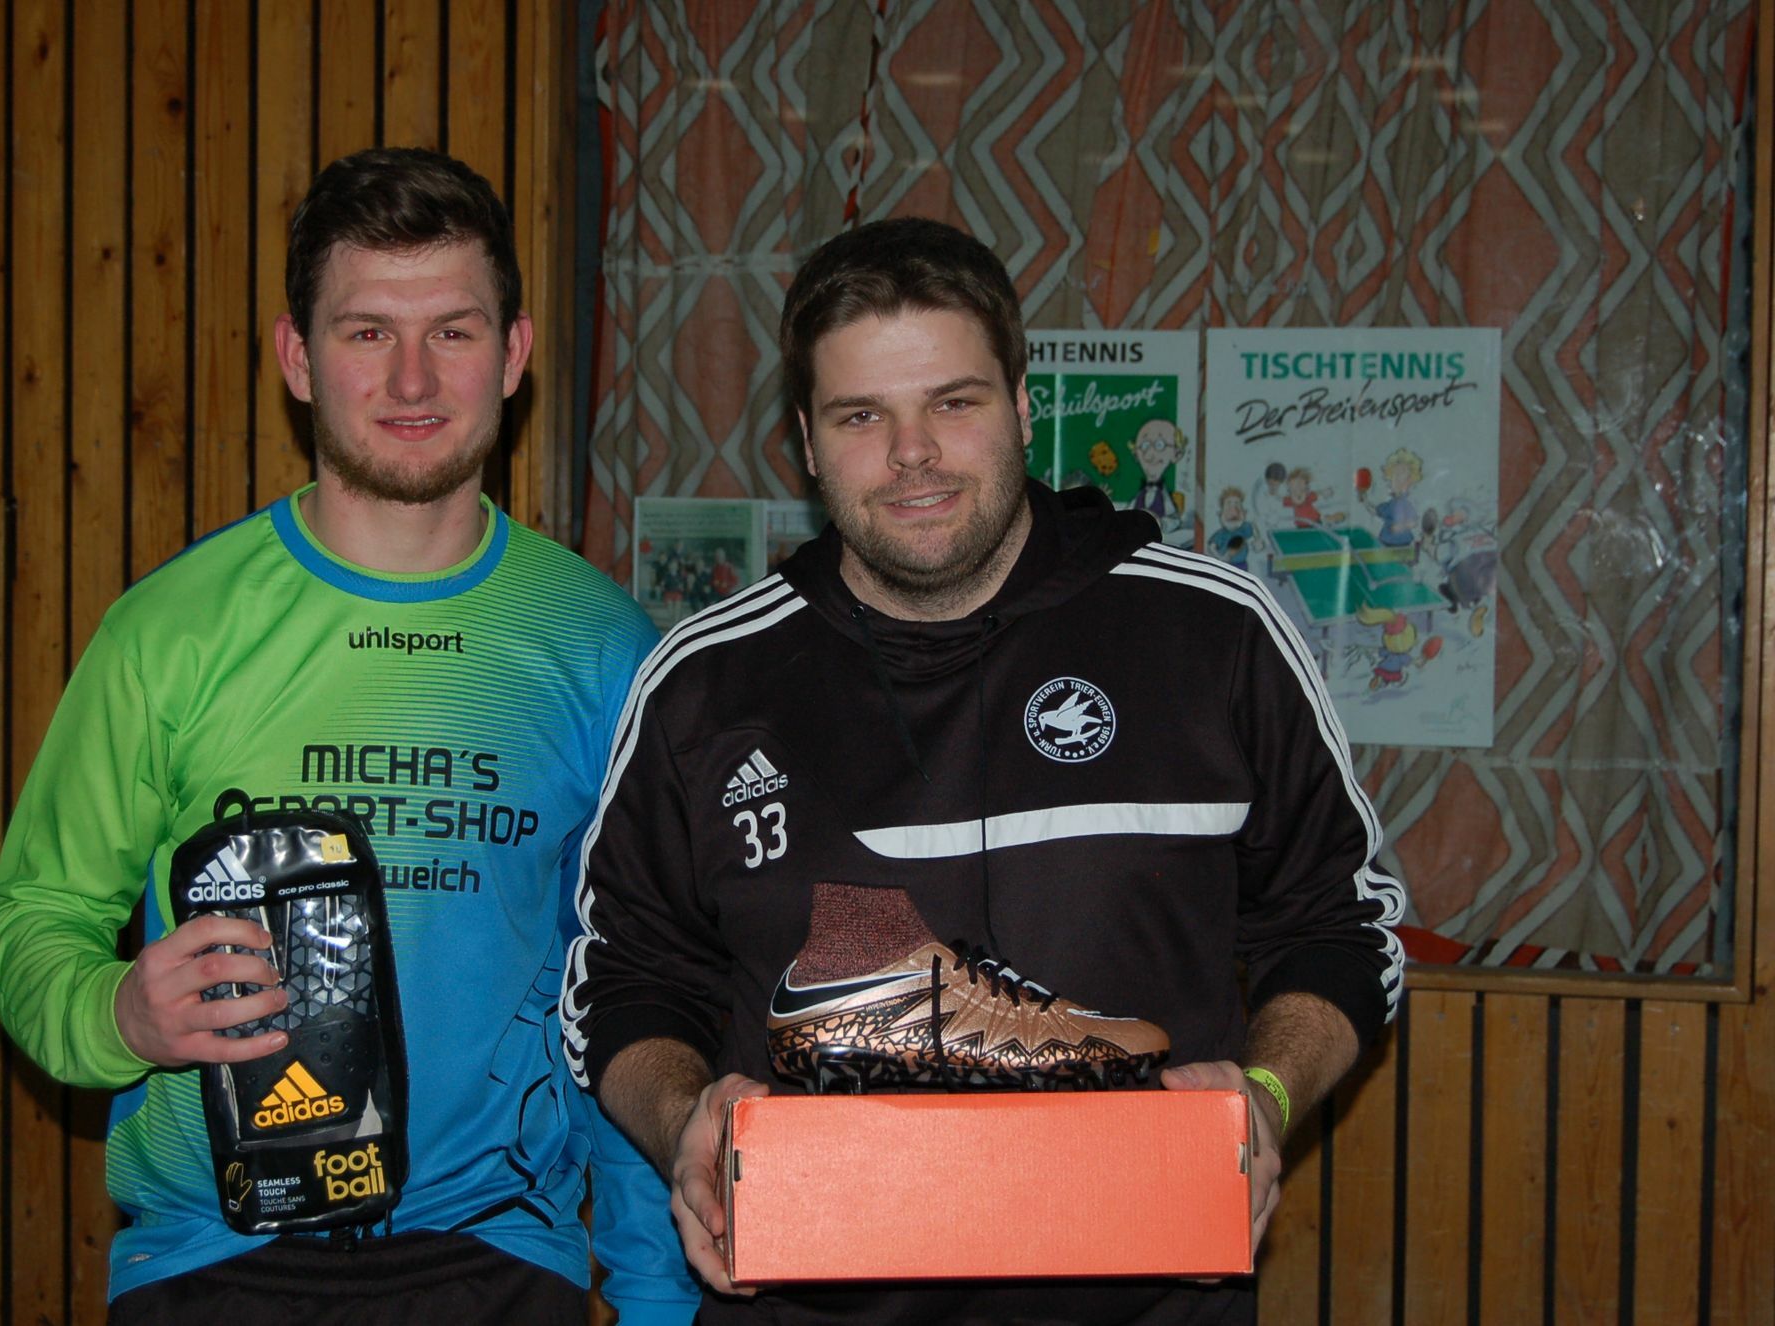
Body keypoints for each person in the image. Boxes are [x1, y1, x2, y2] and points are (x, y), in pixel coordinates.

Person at [561, 217, 1405, 1323]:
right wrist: (687, 1125)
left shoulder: (1214, 635)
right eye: (861, 416)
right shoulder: (705, 682)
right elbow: (624, 980)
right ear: (806, 442)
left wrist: (1265, 1096)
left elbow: (1342, 928)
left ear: (1020, 406)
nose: (911, 452)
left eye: (952, 403)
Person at [0, 148, 697, 1325]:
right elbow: (32, 916)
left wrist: (656, 1299)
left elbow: (630, 986)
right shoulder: (170, 632)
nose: (412, 377)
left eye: (453, 331)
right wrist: (117, 1015)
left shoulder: (602, 646)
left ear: (513, 353)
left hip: (495, 1258)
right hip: (211, 1259)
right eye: (367, 332)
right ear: (298, 359)